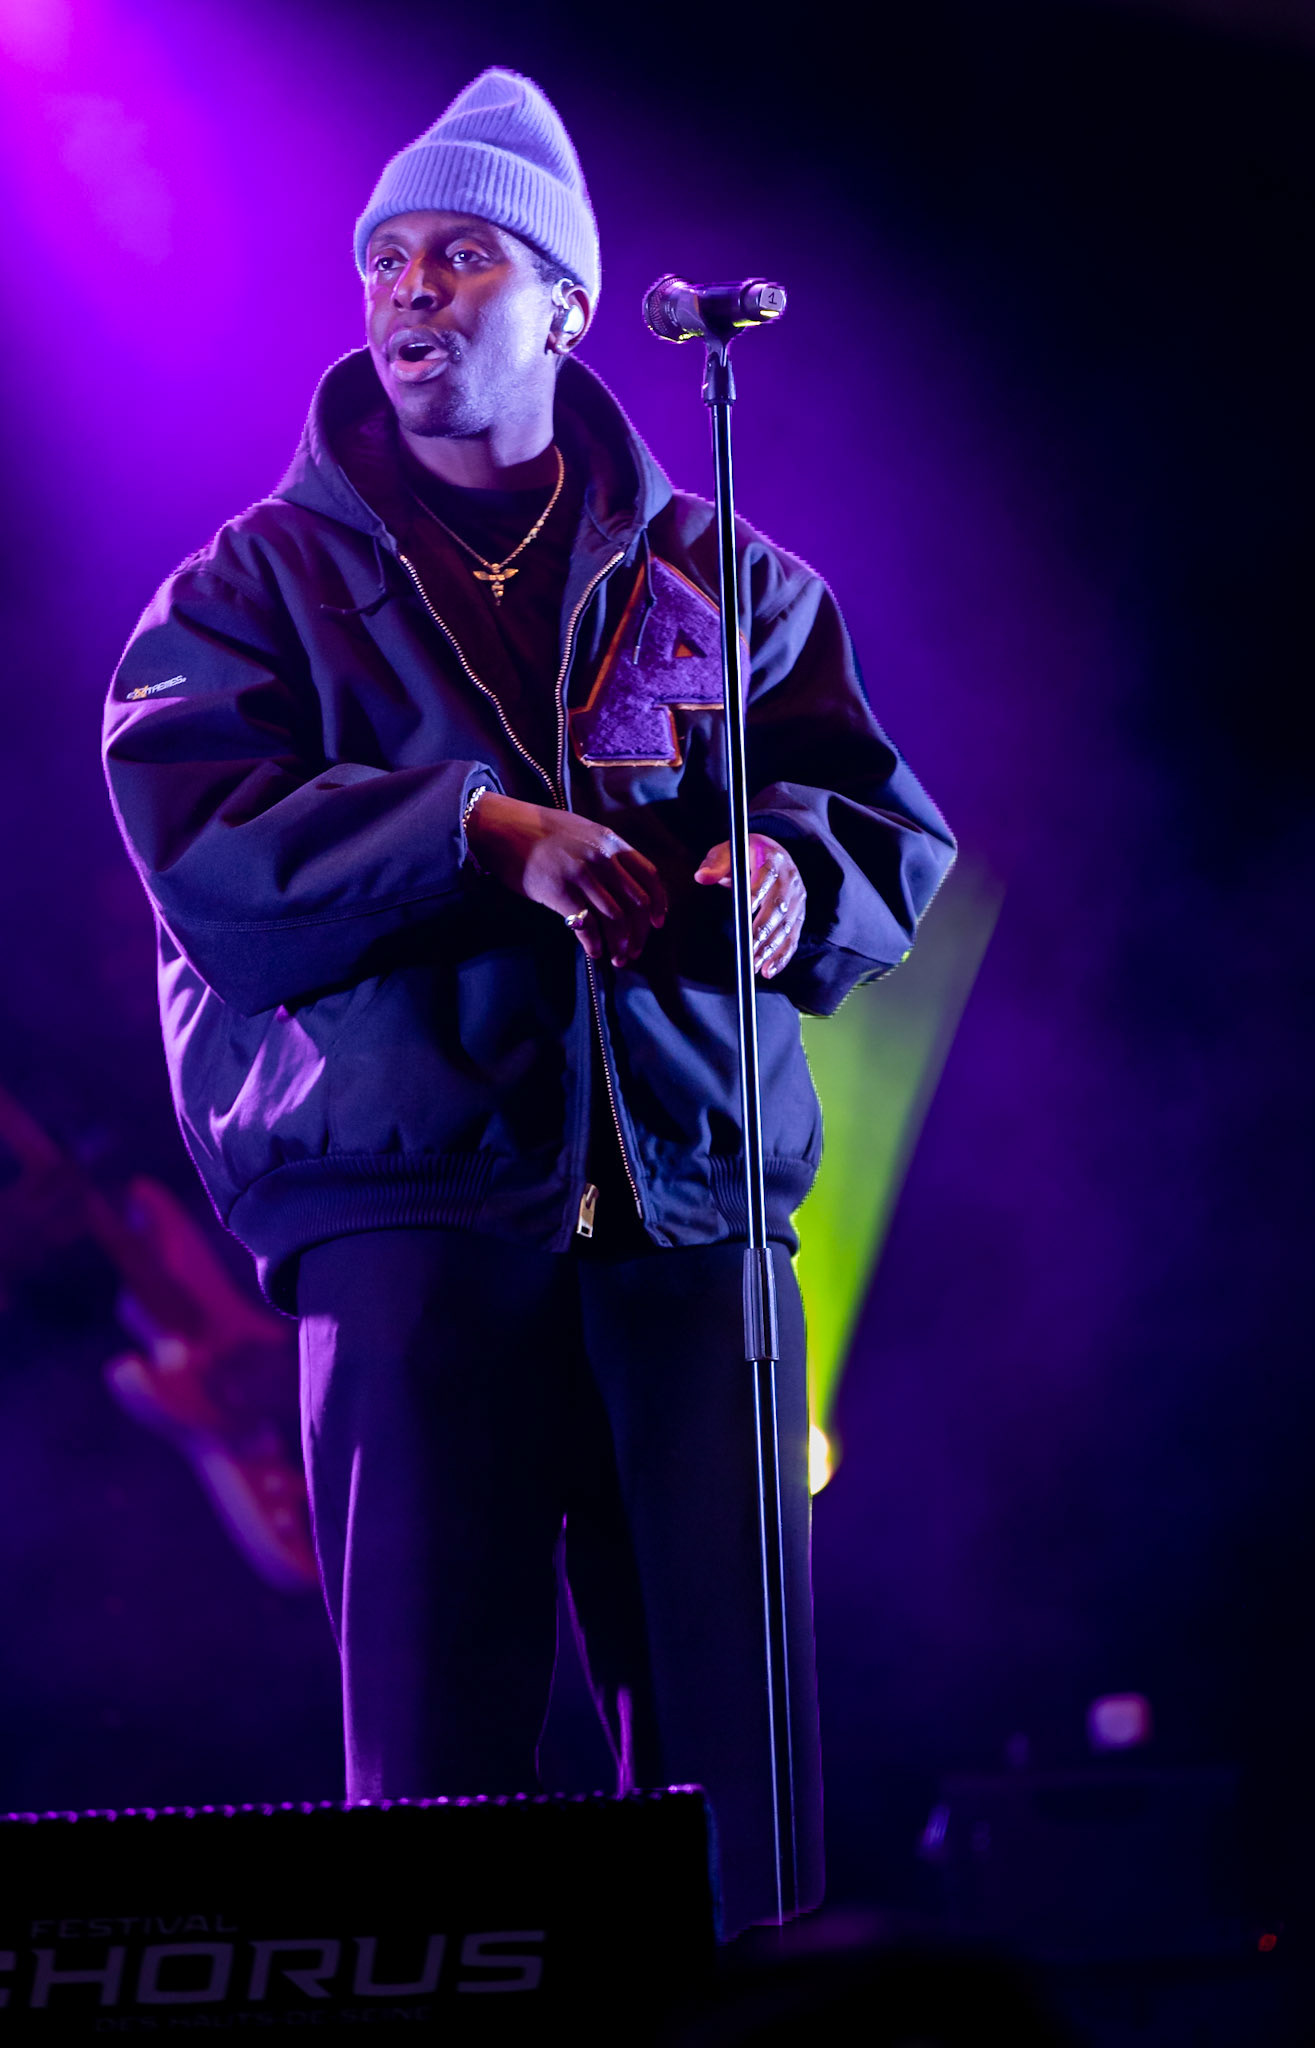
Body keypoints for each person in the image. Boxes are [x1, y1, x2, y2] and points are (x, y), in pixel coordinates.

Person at [102, 69, 955, 1937]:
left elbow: (881, 819)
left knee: (743, 1773)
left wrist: (795, 875)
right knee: (434, 1769)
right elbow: (202, 833)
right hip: (413, 1216)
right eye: (385, 261)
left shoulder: (724, 576)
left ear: (563, 305)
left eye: (458, 258)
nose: (408, 293)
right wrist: (482, 832)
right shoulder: (260, 584)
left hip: (686, 1212)